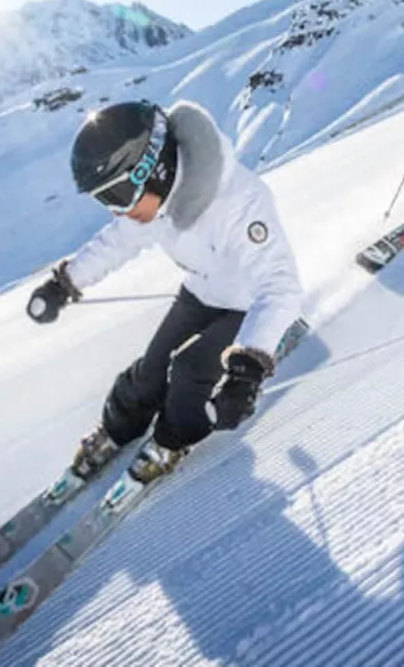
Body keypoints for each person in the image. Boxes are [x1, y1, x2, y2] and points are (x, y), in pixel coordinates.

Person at [25, 99, 304, 484]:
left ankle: (173, 438)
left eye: (117, 195)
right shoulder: (155, 202)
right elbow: (116, 242)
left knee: (189, 373)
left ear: (154, 169)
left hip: (246, 306)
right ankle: (117, 430)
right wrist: (65, 282)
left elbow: (280, 286)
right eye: (104, 200)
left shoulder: (240, 203)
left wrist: (247, 371)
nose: (116, 210)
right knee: (151, 368)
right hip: (198, 293)